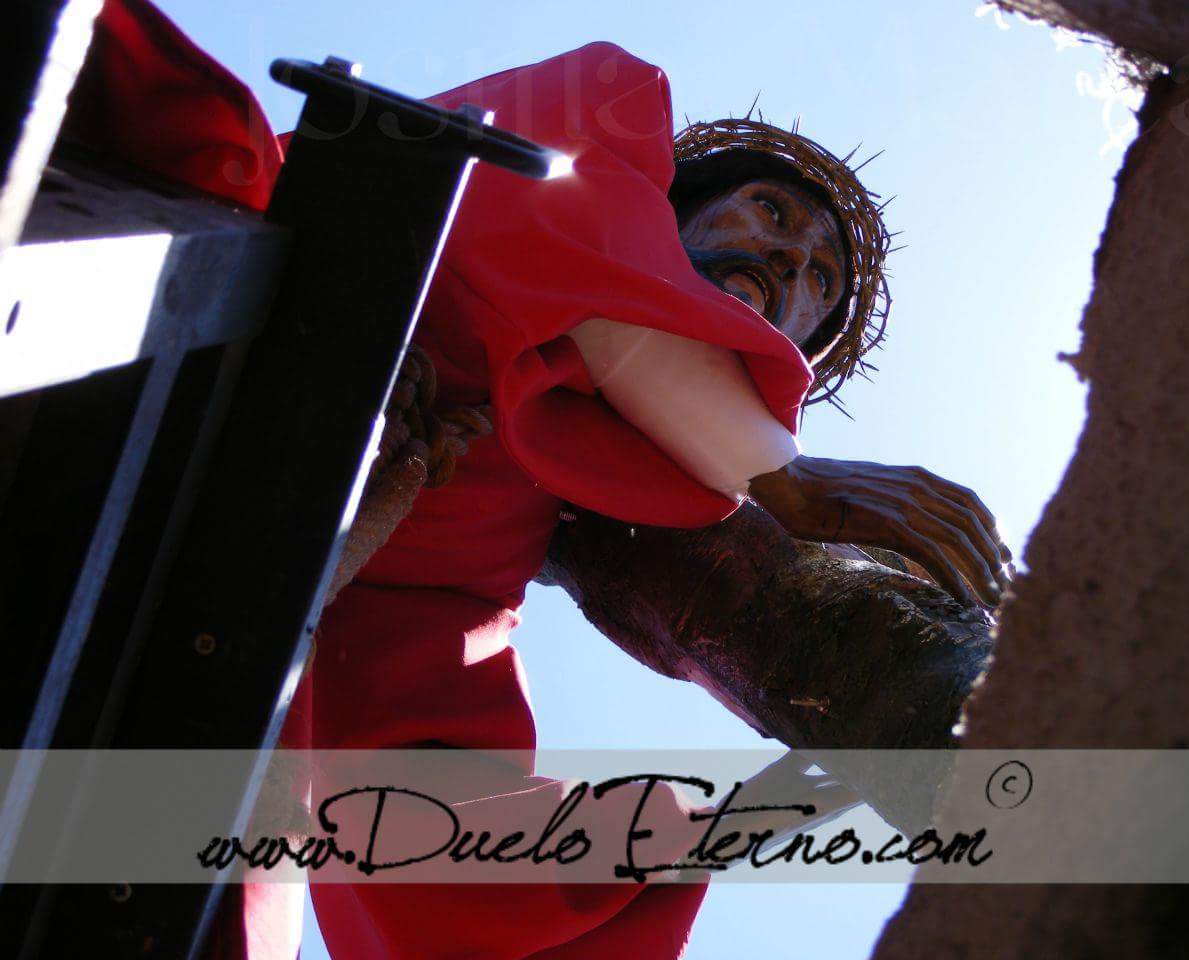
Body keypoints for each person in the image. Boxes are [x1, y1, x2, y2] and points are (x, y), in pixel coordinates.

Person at [74, 3, 1009, 957]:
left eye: (816, 281)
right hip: (125, 322)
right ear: (683, 198)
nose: (788, 259)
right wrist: (783, 474)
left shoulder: (494, 532)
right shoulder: (601, 114)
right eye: (773, 214)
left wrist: (736, 826)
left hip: (108, 635)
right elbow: (546, 226)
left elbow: (414, 821)